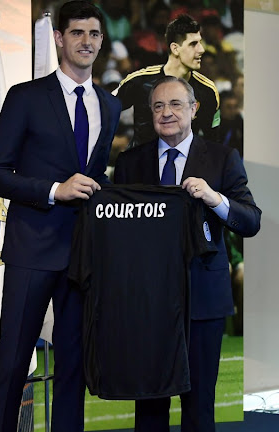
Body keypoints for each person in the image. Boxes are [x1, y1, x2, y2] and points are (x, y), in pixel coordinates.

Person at [0, 1, 121, 430]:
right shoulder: (26, 97)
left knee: (73, 367)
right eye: (77, 32)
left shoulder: (109, 106)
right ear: (59, 38)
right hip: (32, 249)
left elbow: (95, 179)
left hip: (82, 256)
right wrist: (53, 191)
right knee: (12, 363)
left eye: (94, 34)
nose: (87, 41)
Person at [113, 76, 261, 432]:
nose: (167, 113)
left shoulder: (224, 159)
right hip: (147, 304)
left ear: (194, 110)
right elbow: (116, 233)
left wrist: (215, 198)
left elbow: (251, 221)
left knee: (199, 410)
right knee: (148, 409)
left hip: (204, 303)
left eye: (176, 104)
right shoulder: (130, 163)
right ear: (150, 114)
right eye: (158, 106)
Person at [114, 14, 220, 147]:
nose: (201, 49)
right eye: (193, 44)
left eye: (200, 43)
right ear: (175, 48)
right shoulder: (140, 81)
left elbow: (212, 142)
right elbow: (103, 109)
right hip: (141, 165)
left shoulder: (208, 90)